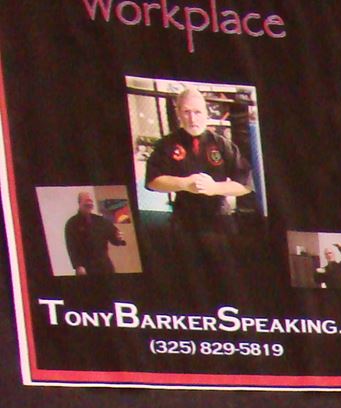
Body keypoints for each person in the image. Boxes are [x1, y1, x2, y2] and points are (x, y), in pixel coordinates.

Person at [143, 86, 251, 233]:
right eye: (186, 112)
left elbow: (245, 185)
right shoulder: (167, 144)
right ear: (178, 113)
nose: (192, 119)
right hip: (184, 218)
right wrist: (184, 183)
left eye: (197, 112)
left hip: (219, 217)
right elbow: (152, 181)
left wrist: (214, 188)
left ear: (206, 113)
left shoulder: (222, 144)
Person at [63, 191, 124, 278]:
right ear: (79, 203)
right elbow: (71, 247)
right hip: (86, 267)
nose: (89, 203)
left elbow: (114, 238)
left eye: (91, 201)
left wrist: (118, 238)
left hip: (105, 266)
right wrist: (78, 266)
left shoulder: (100, 220)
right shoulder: (72, 223)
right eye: (87, 200)